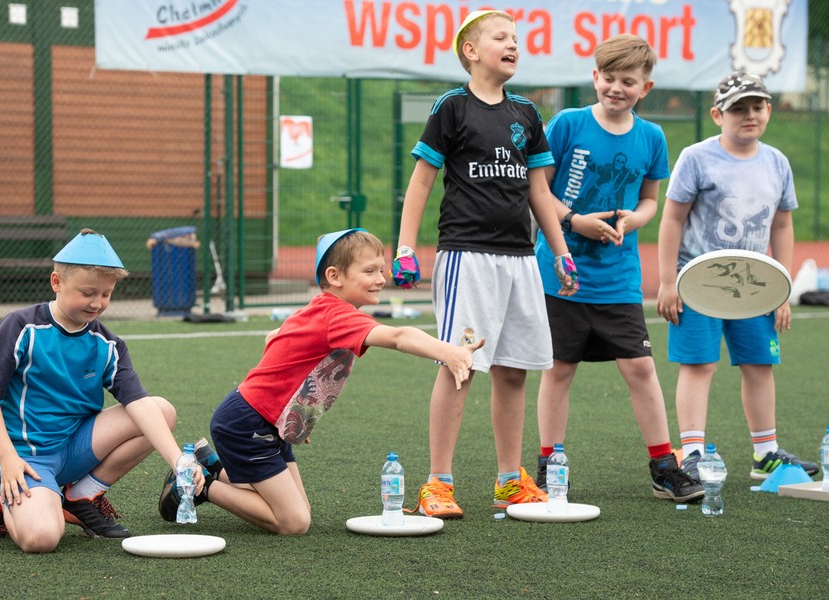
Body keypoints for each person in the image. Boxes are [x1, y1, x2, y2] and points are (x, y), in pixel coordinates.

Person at [157, 228, 484, 534]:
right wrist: (450, 352)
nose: (381, 279)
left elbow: (275, 338)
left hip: (262, 423)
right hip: (247, 425)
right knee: (294, 522)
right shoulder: (337, 315)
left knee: (294, 506)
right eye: (369, 271)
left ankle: (210, 466)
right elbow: (398, 336)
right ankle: (198, 484)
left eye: (381, 270)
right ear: (334, 276)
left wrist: (294, 413)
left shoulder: (323, 310)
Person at [391, 10, 580, 519]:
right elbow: (422, 182)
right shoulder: (452, 106)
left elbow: (540, 191)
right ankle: (438, 483)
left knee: (515, 371)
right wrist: (405, 247)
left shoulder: (527, 113)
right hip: (466, 258)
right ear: (471, 51)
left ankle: (508, 481)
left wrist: (560, 252)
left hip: (520, 260)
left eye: (516, 39)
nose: (512, 44)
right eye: (500, 37)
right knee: (459, 367)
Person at [532, 34, 703, 503]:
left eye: (628, 81)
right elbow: (538, 191)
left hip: (618, 279)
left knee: (641, 369)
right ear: (595, 78)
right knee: (559, 370)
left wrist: (635, 218)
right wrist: (574, 222)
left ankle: (663, 466)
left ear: (644, 87)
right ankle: (551, 464)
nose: (616, 88)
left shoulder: (652, 136)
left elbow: (651, 199)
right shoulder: (567, 124)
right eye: (608, 78)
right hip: (561, 273)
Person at [0, 229, 203, 553]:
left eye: (106, 294)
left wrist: (178, 460)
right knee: (42, 538)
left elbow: (138, 403)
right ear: (56, 282)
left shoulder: (108, 344)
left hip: (75, 448)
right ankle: (1, 498)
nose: (97, 303)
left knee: (160, 410)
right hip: (23, 456)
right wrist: (6, 457)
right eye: (87, 292)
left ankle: (80, 495)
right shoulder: (22, 327)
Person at [656, 71, 818, 481]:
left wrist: (782, 289)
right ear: (717, 114)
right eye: (739, 108)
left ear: (768, 109)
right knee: (699, 365)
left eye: (758, 106)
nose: (750, 115)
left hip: (755, 285)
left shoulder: (777, 162)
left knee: (760, 363)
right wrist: (667, 281)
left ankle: (765, 453)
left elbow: (782, 226)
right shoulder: (696, 157)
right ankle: (692, 453)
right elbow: (672, 219)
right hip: (699, 282)